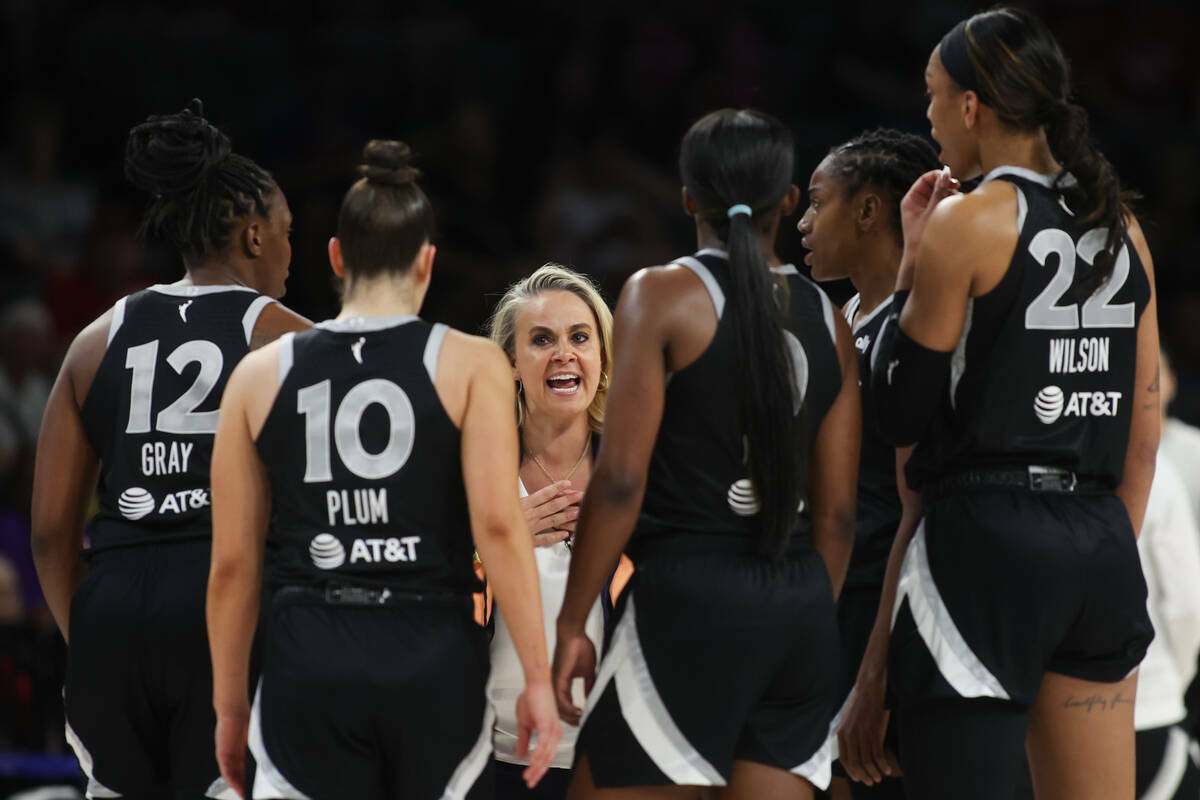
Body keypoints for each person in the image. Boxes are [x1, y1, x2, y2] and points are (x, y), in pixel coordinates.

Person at [206, 140, 561, 800]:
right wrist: (536, 679)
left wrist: (230, 706)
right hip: (429, 651)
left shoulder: (258, 373)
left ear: (336, 257)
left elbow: (232, 564)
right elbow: (499, 527)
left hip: (307, 651)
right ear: (428, 262)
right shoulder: (472, 362)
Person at [864, 8, 1159, 798]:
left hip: (986, 550)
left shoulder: (970, 220)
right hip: (1098, 547)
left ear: (972, 107)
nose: (925, 118)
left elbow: (898, 412)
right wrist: (1096, 544)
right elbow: (1143, 427)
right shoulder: (1123, 227)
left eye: (931, 97)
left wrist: (907, 272)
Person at [552, 108, 860, 799]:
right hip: (800, 603)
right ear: (787, 200)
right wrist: (803, 610)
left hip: (689, 596)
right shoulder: (828, 318)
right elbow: (838, 515)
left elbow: (623, 479)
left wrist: (574, 621)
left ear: (688, 198)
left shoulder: (661, 294)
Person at [29, 99, 309, 799]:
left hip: (112, 608)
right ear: (251, 236)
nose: (289, 252)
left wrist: (91, 634)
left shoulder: (92, 340)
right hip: (227, 611)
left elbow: (46, 533)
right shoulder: (293, 340)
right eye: (286, 233)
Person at [798, 128, 940, 800]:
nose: (800, 221)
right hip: (824, 601)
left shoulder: (922, 324)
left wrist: (874, 671)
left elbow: (919, 508)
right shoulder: (835, 319)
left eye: (817, 201)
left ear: (868, 210)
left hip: (883, 617)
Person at [484, 263, 629, 799]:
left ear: (601, 357)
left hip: (615, 763)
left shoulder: (635, 475)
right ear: (512, 364)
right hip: (494, 759)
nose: (564, 353)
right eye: (541, 340)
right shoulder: (471, 471)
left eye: (580, 338)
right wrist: (492, 544)